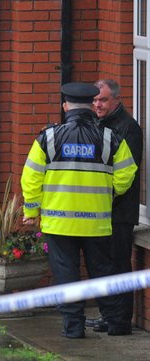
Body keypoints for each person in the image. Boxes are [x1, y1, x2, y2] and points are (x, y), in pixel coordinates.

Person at [21, 82, 137, 338]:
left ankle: (73, 327)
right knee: (102, 272)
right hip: (96, 222)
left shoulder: (48, 138)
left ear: (66, 107)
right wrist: (111, 192)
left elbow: (30, 177)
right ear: (90, 107)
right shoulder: (110, 138)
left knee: (66, 274)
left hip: (59, 223)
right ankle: (116, 323)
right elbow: (127, 172)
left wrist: (32, 209)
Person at [85, 79, 144, 332]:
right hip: (101, 208)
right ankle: (109, 316)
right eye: (96, 100)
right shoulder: (98, 124)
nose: (98, 104)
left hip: (119, 211)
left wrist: (104, 199)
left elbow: (124, 173)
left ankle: (120, 321)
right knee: (103, 266)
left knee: (118, 265)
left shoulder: (127, 127)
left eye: (104, 100)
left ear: (117, 100)